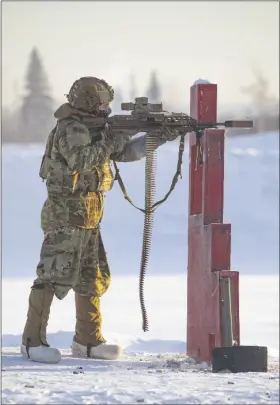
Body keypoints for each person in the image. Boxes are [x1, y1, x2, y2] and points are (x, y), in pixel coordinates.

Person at [21, 76, 179, 364]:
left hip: (90, 218)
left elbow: (125, 152)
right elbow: (82, 160)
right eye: (103, 103)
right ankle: (32, 342)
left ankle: (88, 341)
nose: (108, 108)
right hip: (65, 216)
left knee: (91, 279)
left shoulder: (97, 130)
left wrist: (157, 138)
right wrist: (113, 138)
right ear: (90, 104)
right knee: (52, 275)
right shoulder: (71, 128)